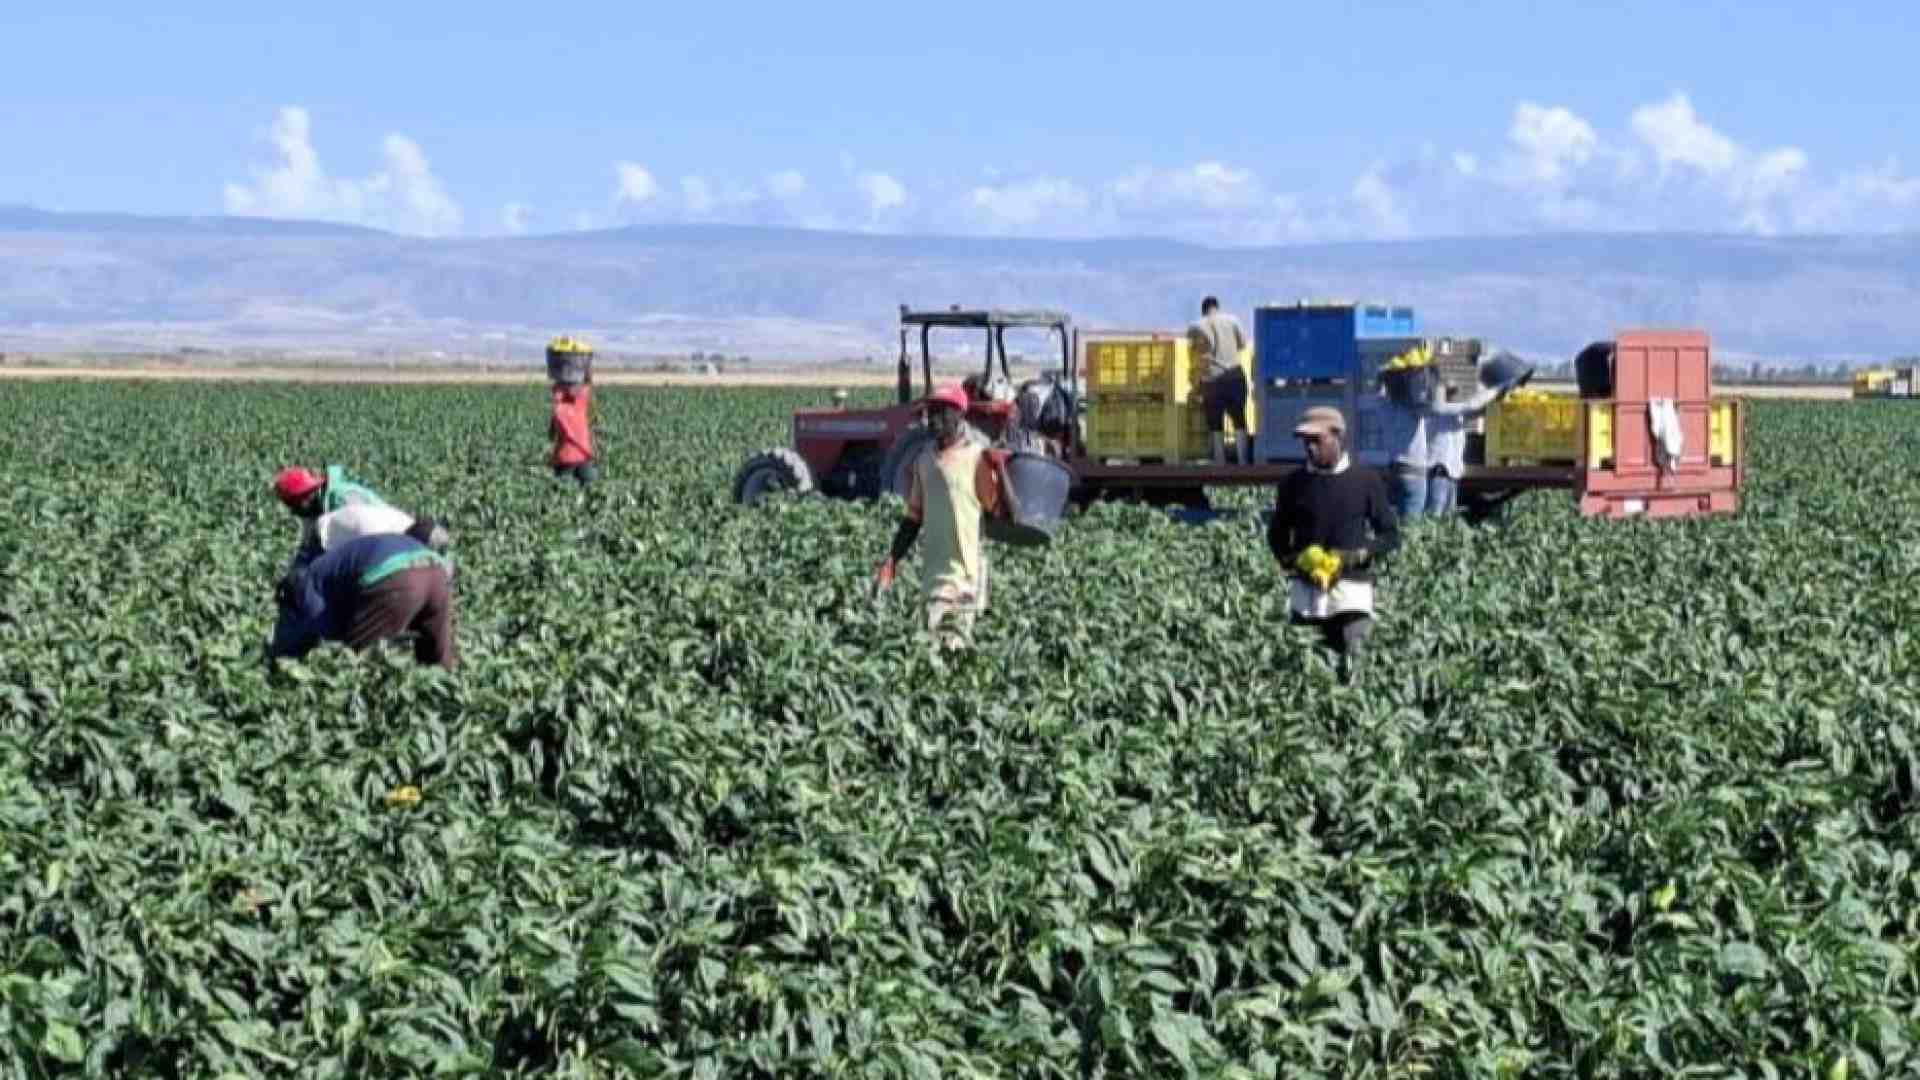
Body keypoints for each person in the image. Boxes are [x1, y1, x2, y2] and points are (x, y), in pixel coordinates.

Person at [873, 384, 1015, 653]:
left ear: (959, 415)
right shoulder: (924, 462)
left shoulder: (977, 459)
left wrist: (1000, 471)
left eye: (941, 413)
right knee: (935, 652)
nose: (932, 420)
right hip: (933, 577)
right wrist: (892, 559)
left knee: (946, 650)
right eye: (930, 413)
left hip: (964, 576)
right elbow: (913, 518)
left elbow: (1001, 513)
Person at [1267, 406, 1399, 683]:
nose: (1310, 449)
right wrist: (1295, 561)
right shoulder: (1293, 484)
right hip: (1306, 596)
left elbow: (1390, 536)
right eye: (1306, 442)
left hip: (1352, 594)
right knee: (1305, 675)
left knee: (1356, 668)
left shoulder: (1366, 481)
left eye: (1317, 440)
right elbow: (1277, 535)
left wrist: (1358, 554)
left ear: (1338, 437)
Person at [268, 532, 457, 669]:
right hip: (436, 571)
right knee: (436, 659)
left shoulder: (306, 587)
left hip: (396, 577)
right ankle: (444, 707)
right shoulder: (326, 566)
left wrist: (287, 657)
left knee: (359, 663)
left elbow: (326, 628)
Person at [272, 465, 449, 572]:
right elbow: (308, 547)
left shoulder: (343, 498)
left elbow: (362, 535)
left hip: (401, 545)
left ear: (304, 498)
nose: (293, 512)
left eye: (292, 506)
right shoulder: (315, 508)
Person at [1187, 296, 1252, 465]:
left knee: (1215, 423)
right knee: (1239, 418)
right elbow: (1243, 345)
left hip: (1211, 380)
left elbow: (1194, 351)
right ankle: (1243, 461)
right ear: (1217, 307)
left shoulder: (1196, 326)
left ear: (1203, 310)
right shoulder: (1233, 321)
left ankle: (1220, 462)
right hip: (1234, 375)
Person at [550, 373, 597, 488]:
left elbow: (551, 436)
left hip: (563, 459)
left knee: (562, 493)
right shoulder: (580, 405)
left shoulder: (558, 411)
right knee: (590, 489)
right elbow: (586, 386)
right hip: (583, 456)